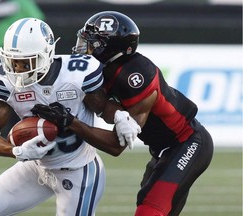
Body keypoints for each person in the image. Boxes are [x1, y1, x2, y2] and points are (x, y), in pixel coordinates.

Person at [31, 11, 214, 216]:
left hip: (187, 142)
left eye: (92, 44)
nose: (83, 48)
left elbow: (117, 145)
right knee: (150, 203)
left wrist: (72, 123)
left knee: (149, 208)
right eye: (84, 41)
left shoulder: (137, 75)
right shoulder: (97, 71)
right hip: (162, 149)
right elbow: (104, 110)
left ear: (111, 49)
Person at [0, 17, 139, 216]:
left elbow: (102, 107)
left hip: (79, 171)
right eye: (13, 61)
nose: (18, 69)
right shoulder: (4, 78)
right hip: (35, 167)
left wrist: (120, 115)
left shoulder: (76, 74)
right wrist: (17, 152)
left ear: (47, 54)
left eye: (25, 62)